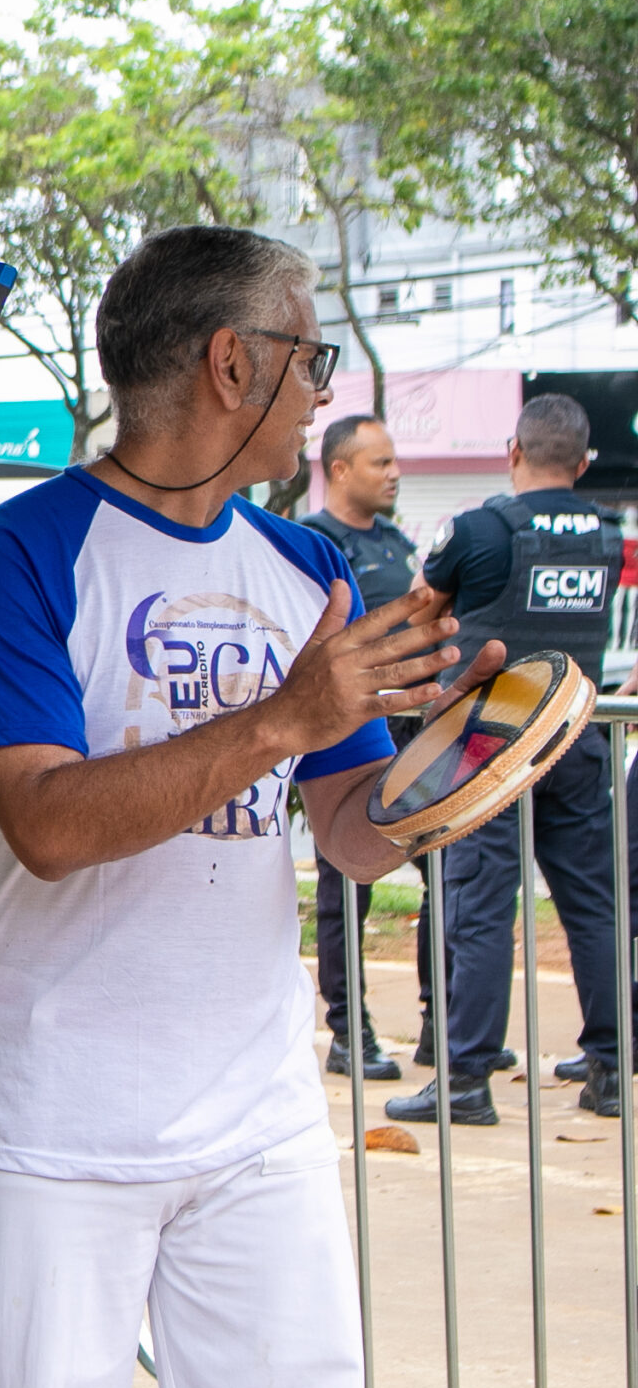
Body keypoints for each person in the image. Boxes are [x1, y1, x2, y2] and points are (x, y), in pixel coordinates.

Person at [0, 224, 498, 1388]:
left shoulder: (305, 565)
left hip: (258, 1117)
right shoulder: (12, 558)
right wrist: (283, 717)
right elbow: (50, 825)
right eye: (310, 359)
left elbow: (350, 836)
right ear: (232, 363)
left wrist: (457, 761)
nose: (321, 395)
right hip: (56, 1125)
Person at [390, 394, 625, 1124]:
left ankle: (465, 1080)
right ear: (582, 463)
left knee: (481, 906)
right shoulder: (607, 534)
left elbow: (423, 608)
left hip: (488, 743)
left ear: (513, 451)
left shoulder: (481, 528)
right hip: (575, 736)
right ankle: (612, 1071)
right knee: (593, 904)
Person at [299, 413, 423, 1080]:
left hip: (410, 724)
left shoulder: (399, 544)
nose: (395, 473)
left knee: (445, 876)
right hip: (344, 728)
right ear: (339, 469)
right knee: (345, 884)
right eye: (381, 462)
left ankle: (444, 1028)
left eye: (395, 460)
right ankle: (351, 1030)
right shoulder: (314, 546)